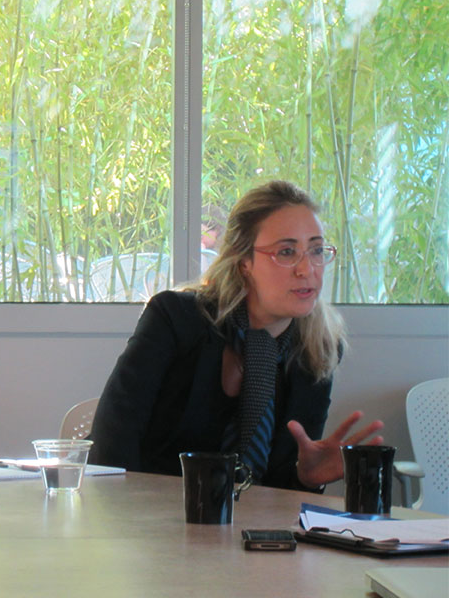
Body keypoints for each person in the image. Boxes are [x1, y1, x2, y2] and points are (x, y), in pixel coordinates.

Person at [87, 180, 383, 490]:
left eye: (316, 250)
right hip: (147, 514)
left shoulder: (318, 348)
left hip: (244, 530)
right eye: (286, 252)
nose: (307, 269)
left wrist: (304, 478)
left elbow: (277, 490)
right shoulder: (175, 318)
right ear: (244, 263)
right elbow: (112, 440)